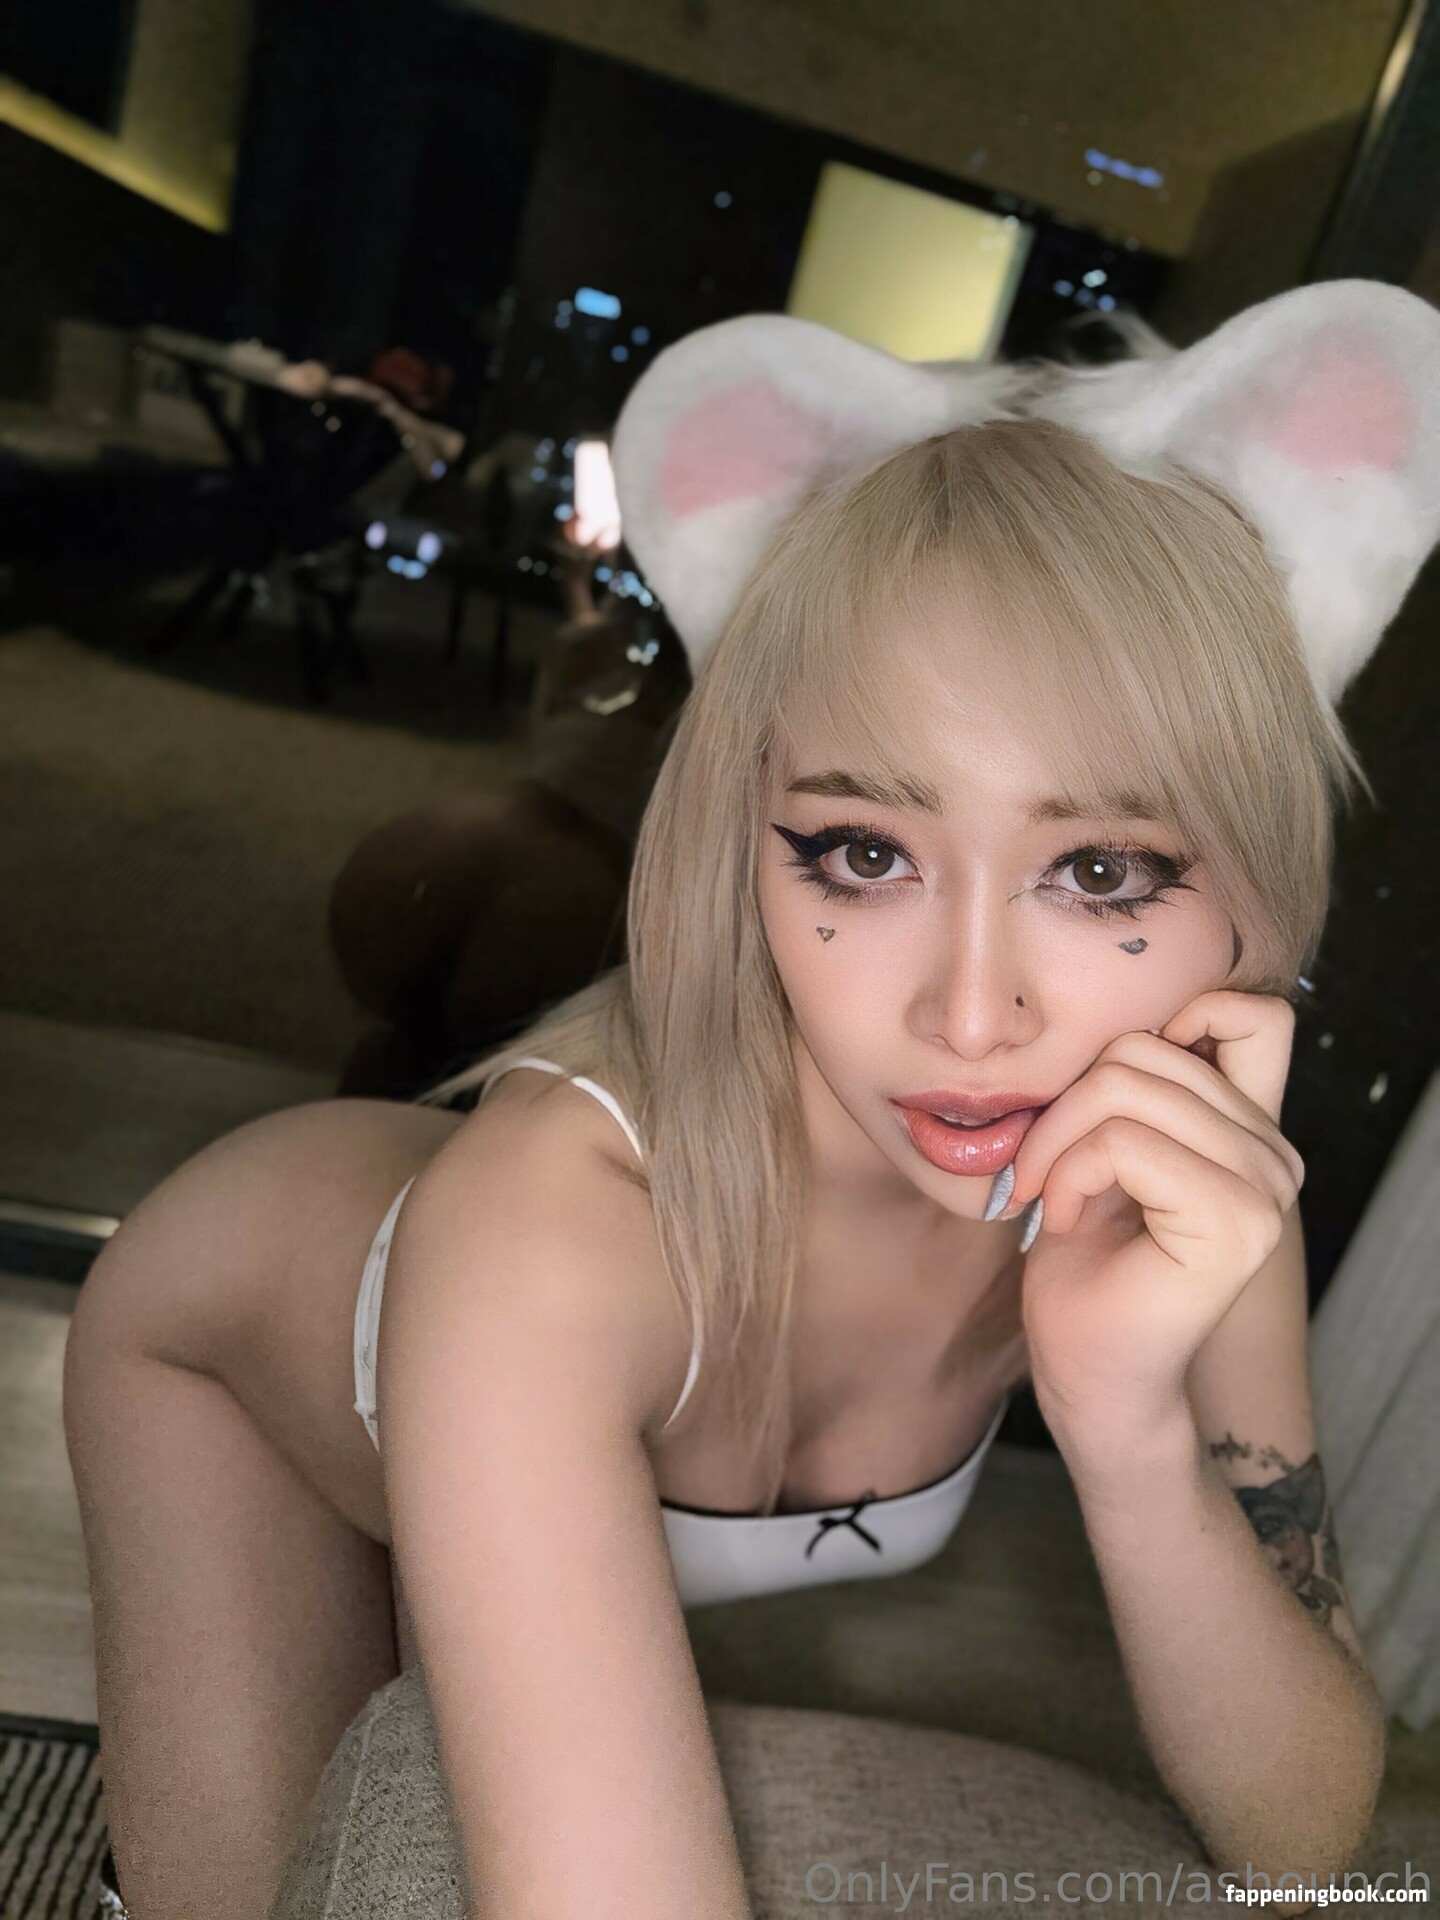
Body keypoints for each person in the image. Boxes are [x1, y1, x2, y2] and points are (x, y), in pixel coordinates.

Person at [64, 278, 1440, 1919]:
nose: (970, 1014)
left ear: (1254, 895)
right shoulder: (560, 1237)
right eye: (862, 852)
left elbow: (1304, 1842)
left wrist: (1130, 1432)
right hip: (229, 1345)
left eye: (1099, 870)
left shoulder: (1189, 1188)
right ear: (749, 843)